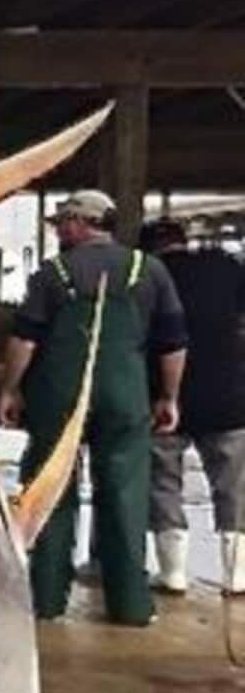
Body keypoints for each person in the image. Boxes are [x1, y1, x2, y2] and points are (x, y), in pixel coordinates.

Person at [0, 192, 185, 626]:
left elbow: (25, 339)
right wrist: (168, 396)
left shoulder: (53, 273)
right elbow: (173, 343)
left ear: (83, 222)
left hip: (57, 398)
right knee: (125, 492)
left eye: (63, 221)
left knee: (50, 490)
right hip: (125, 394)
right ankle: (131, 605)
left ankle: (44, 599)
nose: (59, 229)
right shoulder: (149, 270)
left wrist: (11, 389)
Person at [138, 218, 245, 595]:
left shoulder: (147, 276)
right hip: (227, 395)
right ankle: (237, 574)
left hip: (166, 397)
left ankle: (173, 573)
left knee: (164, 481)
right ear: (183, 241)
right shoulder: (225, 267)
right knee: (233, 484)